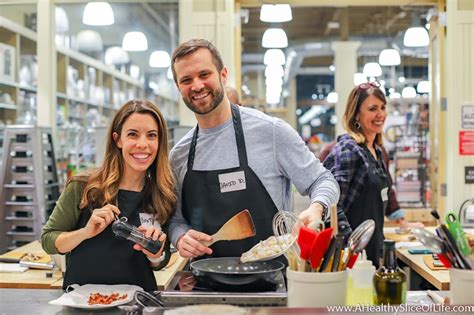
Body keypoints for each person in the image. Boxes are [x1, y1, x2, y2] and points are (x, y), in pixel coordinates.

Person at [168, 38, 340, 260]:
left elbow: (323, 180)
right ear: (178, 87)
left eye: (204, 74)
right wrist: (180, 237)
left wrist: (317, 207)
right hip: (205, 284)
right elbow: (175, 220)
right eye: (186, 80)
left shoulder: (271, 132)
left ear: (223, 74)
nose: (197, 86)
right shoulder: (179, 155)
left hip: (272, 283)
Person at [41, 100, 176, 291]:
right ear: (117, 139)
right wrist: (85, 232)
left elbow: (161, 261)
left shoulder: (162, 194)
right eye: (132, 134)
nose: (143, 144)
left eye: (152, 135)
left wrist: (154, 253)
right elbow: (48, 240)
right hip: (82, 302)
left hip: (137, 303)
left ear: (160, 141)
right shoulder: (84, 187)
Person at [322, 83, 422, 268]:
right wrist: (352, 247)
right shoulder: (348, 151)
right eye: (372, 109)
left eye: (383, 107)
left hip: (371, 252)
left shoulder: (378, 151)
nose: (380, 114)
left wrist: (403, 222)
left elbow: (386, 190)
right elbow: (331, 206)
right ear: (356, 115)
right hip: (349, 260)